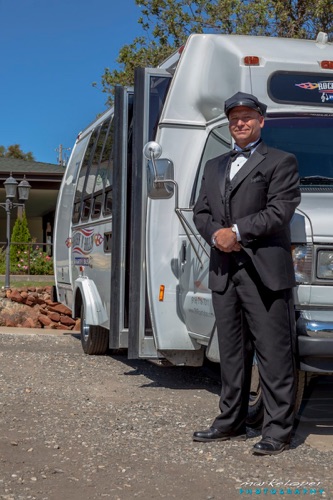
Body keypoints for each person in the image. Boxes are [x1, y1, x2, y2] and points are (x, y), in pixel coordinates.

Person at [192, 91, 301, 456]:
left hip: (265, 272)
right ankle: (230, 421)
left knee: (274, 354)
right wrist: (217, 237)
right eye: (235, 118)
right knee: (233, 353)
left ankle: (278, 431)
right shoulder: (214, 166)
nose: (240, 122)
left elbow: (280, 210)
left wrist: (236, 232)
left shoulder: (281, 162)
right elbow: (201, 212)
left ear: (260, 121)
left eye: (247, 117)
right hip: (225, 272)